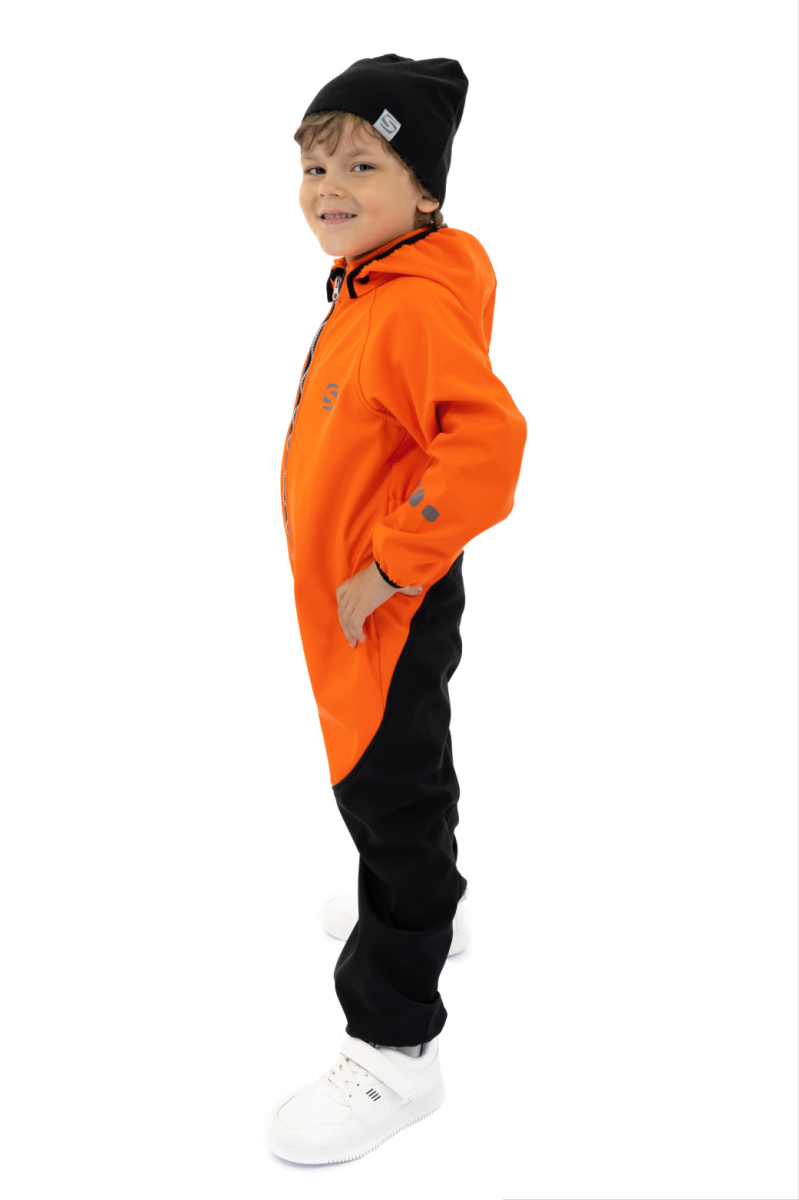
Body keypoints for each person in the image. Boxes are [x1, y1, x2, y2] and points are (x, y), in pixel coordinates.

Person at [267, 54, 527, 1165]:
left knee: (387, 787)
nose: (329, 187)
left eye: (362, 165)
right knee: (399, 771)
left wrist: (388, 565)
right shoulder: (373, 279)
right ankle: (423, 897)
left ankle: (393, 1044)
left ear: (424, 190)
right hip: (363, 602)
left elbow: (488, 446)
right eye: (315, 165)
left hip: (383, 603)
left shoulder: (408, 304)